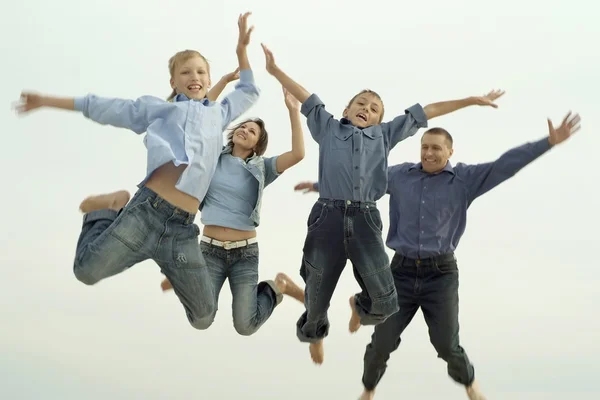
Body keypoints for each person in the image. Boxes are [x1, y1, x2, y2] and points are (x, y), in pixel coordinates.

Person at [294, 111, 582, 399]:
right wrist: (322, 187)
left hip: (440, 275)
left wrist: (548, 142)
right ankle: (368, 389)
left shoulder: (464, 180)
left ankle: (469, 383)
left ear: (449, 151)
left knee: (446, 344)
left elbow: (505, 166)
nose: (429, 153)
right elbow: (363, 182)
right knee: (382, 342)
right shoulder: (399, 175)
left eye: (435, 148)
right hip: (400, 273)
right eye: (424, 147)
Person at [260, 43, 504, 364]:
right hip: (328, 217)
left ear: (380, 120)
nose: (367, 108)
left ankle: (359, 307)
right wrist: (276, 71)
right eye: (361, 103)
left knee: (387, 304)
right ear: (346, 110)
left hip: (365, 220)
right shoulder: (329, 127)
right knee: (317, 300)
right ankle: (313, 333)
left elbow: (429, 111)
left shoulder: (386, 135)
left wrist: (470, 101)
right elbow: (306, 97)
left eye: (375, 108)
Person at [14, 13, 260, 330]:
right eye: (185, 71)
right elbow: (106, 107)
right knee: (85, 271)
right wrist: (47, 100)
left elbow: (250, 91)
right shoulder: (160, 109)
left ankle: (167, 264)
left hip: (181, 231)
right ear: (173, 82)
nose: (193, 75)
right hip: (145, 213)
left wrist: (241, 50)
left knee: (203, 317)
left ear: (210, 80)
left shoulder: (220, 113)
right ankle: (106, 208)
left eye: (200, 71)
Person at [160, 86, 306, 335]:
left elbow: (297, 154)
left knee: (245, 326)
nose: (245, 130)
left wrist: (293, 111)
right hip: (209, 251)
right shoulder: (212, 157)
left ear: (257, 145)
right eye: (243, 126)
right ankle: (187, 276)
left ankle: (276, 287)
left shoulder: (262, 168)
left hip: (244, 255)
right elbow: (197, 126)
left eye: (252, 131)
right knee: (200, 320)